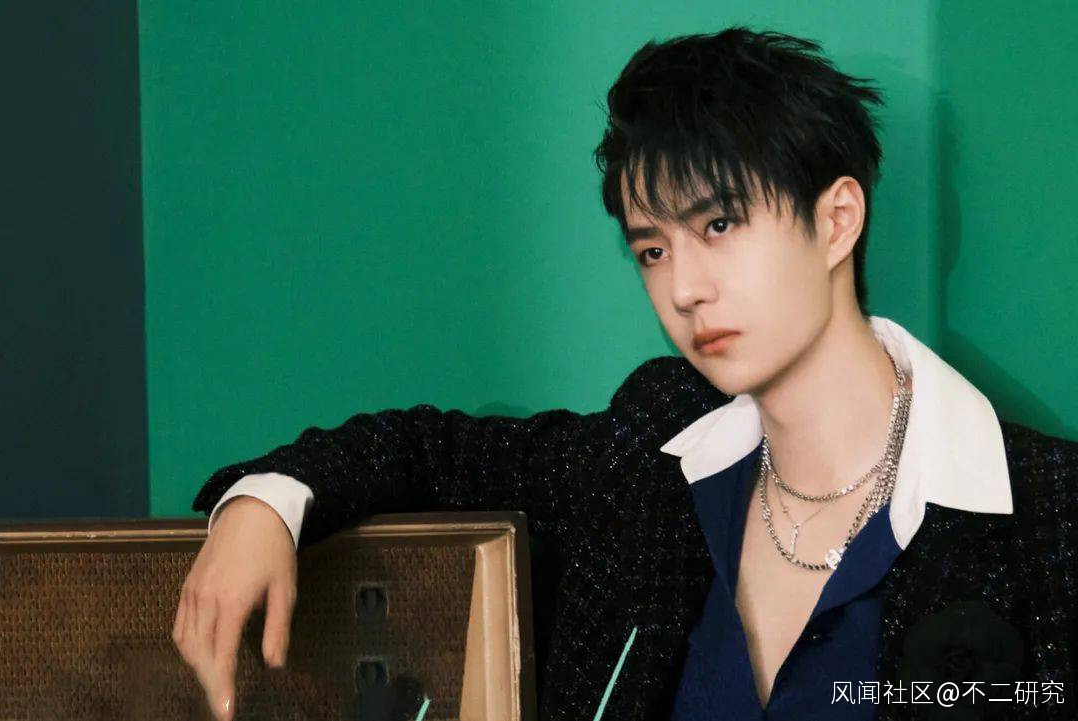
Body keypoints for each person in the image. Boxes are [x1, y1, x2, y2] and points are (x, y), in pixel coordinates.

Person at [172, 26, 1078, 721]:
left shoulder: (1046, 516)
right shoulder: (651, 450)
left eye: (718, 224)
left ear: (837, 220)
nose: (683, 288)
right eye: (652, 249)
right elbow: (422, 448)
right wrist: (265, 506)